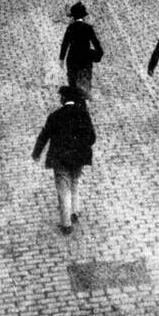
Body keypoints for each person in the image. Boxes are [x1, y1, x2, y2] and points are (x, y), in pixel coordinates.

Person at [31, 86, 96, 234]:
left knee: (63, 189)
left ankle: (66, 224)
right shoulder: (83, 115)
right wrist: (80, 147)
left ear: (64, 99)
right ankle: (75, 212)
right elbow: (92, 137)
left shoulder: (55, 116)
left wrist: (37, 152)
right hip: (78, 157)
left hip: (60, 158)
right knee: (75, 183)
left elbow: (44, 135)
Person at [59, 2, 103, 97]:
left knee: (73, 83)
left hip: (72, 59)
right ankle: (84, 98)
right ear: (83, 17)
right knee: (85, 82)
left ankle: (74, 98)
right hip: (85, 59)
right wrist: (98, 55)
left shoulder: (70, 28)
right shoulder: (88, 28)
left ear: (73, 17)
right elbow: (96, 43)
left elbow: (65, 44)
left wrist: (62, 58)